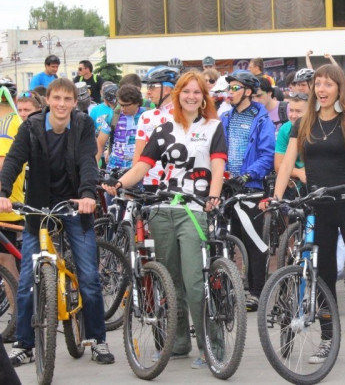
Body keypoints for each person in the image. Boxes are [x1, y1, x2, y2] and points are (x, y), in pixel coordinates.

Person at [103, 71, 227, 369]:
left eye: (197, 92)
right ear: (177, 95)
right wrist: (120, 183)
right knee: (170, 282)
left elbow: (218, 166)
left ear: (204, 97)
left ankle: (212, 346)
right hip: (161, 209)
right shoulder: (163, 129)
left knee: (195, 283)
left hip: (194, 210)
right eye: (187, 91)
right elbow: (142, 167)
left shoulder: (213, 127)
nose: (191, 97)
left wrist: (213, 195)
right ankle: (180, 342)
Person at [268, 64, 345, 366]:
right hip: (319, 208)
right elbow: (287, 163)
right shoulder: (304, 123)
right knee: (324, 277)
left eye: (328, 84)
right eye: (318, 83)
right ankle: (327, 340)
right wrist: (276, 198)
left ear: (339, 89)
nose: (322, 89)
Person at [1, 78, 114, 366]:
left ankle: (97, 339)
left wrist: (87, 194)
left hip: (75, 205)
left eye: (67, 99)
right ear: (47, 100)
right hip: (39, 207)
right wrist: (2, 192)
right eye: (57, 98)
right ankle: (25, 345)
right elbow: (13, 160)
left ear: (75, 103)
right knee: (28, 280)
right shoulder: (32, 126)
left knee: (88, 277)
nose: (61, 104)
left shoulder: (83, 124)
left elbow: (88, 160)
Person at [219, 71, 275, 311]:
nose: (230, 92)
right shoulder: (224, 117)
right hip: (225, 189)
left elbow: (268, 155)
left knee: (252, 242)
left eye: (235, 88)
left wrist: (248, 175)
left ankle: (256, 292)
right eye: (229, 88)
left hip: (250, 189)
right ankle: (228, 290)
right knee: (224, 240)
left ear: (248, 92)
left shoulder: (262, 120)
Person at [134, 66, 180, 192]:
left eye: (152, 87)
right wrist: (133, 185)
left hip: (176, 183)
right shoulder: (145, 116)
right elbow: (139, 153)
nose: (148, 92)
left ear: (167, 89)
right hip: (150, 181)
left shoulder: (183, 116)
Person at [0, 87, 24, 286]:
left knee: (6, 263)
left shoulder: (6, 123)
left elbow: (2, 164)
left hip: (6, 203)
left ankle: (20, 305)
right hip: (10, 199)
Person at [96, 84, 145, 172]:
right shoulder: (113, 115)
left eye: (126, 105)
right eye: (120, 104)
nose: (122, 108)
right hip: (114, 167)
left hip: (139, 167)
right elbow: (100, 143)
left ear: (137, 103)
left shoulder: (146, 116)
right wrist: (95, 166)